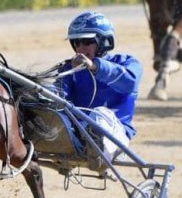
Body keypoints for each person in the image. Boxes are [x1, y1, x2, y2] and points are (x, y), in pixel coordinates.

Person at [58, 12, 142, 151]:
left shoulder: (128, 62)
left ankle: (96, 147)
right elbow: (59, 95)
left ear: (104, 41)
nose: (80, 48)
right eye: (76, 43)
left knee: (99, 115)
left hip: (116, 134)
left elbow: (129, 82)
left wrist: (94, 66)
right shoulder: (69, 69)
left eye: (86, 42)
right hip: (78, 133)